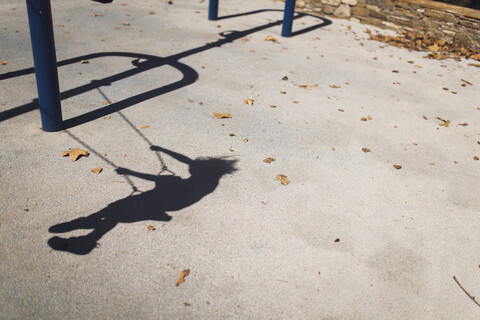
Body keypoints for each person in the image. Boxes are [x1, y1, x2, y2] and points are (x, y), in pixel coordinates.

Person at [48, 146, 237, 254]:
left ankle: (91, 232)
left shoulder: (203, 178)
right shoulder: (210, 180)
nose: (192, 168)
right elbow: (187, 161)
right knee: (117, 209)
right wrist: (162, 150)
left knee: (117, 210)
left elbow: (165, 175)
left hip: (170, 200)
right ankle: (91, 226)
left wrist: (130, 172)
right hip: (177, 201)